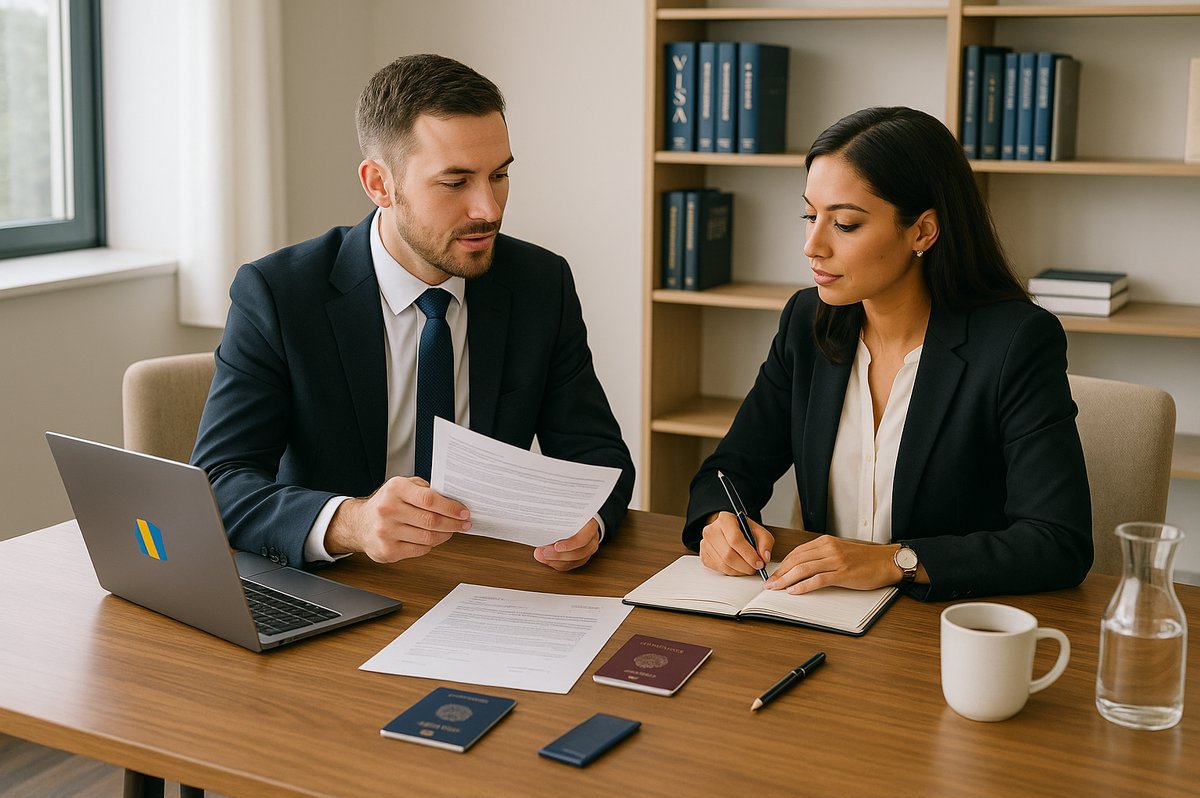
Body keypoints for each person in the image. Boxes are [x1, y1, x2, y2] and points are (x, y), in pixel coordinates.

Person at [191, 53, 634, 573]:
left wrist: (588, 521)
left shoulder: (540, 283)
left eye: (499, 175)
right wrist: (350, 522)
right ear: (380, 184)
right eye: (455, 182)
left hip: (486, 583)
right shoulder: (280, 293)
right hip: (339, 581)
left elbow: (599, 458)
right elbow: (219, 482)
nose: (488, 209)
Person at [683, 106, 1092, 601]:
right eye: (810, 216)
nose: (812, 246)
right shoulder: (806, 321)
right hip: (820, 616)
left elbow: (1057, 542)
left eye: (846, 225)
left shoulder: (1016, 342)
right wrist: (719, 521)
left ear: (922, 231)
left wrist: (895, 561)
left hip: (942, 629)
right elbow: (730, 470)